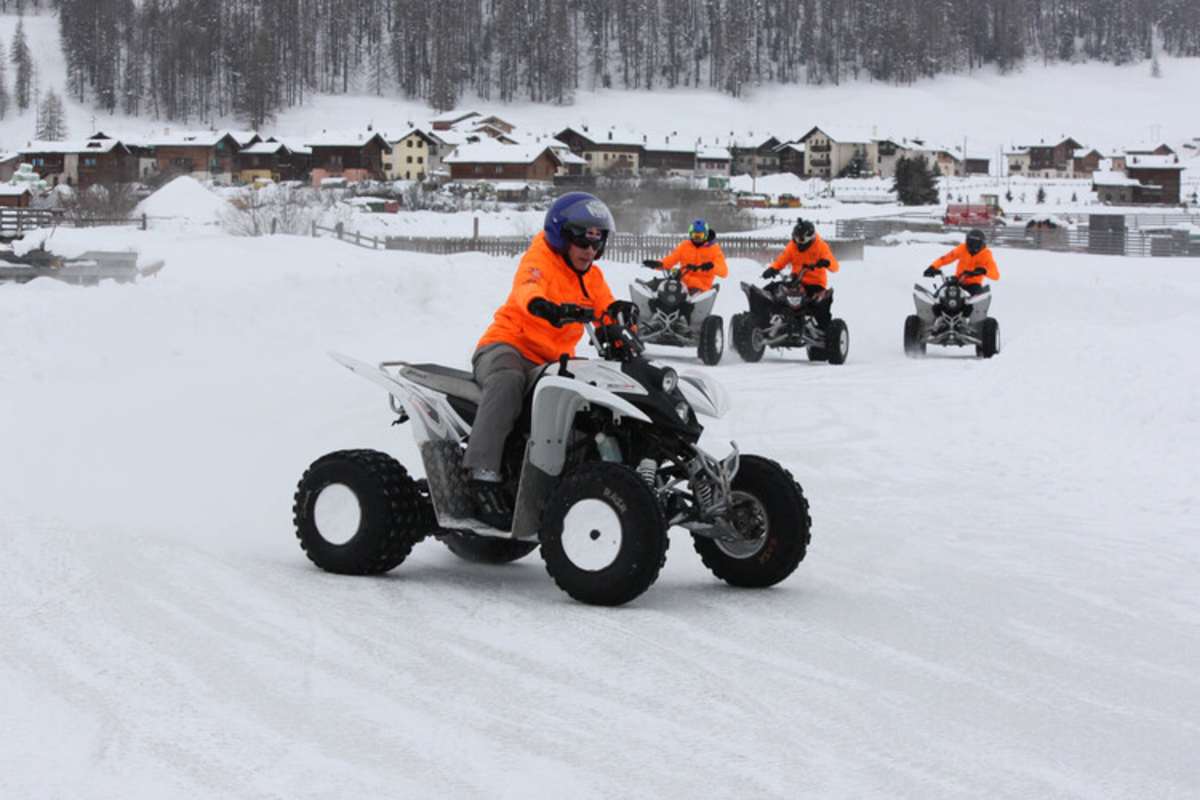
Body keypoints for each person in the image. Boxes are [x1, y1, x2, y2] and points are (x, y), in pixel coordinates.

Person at [464, 192, 628, 528]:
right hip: (507, 347)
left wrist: (620, 320)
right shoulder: (540, 258)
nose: (589, 250)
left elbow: (605, 310)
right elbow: (528, 286)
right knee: (508, 381)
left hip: (553, 361)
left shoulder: (591, 277)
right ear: (561, 236)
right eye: (582, 241)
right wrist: (543, 306)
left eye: (597, 243)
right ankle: (481, 474)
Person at [761, 218, 840, 327]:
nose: (798, 242)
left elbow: (835, 267)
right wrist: (773, 269)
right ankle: (764, 322)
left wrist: (826, 263)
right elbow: (782, 260)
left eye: (801, 239)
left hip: (815, 284)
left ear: (810, 237)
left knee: (821, 302)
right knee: (769, 291)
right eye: (795, 238)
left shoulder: (821, 246)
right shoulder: (792, 246)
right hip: (796, 282)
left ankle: (823, 331)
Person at [656, 219, 729, 293]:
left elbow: (724, 272)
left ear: (706, 235)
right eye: (694, 235)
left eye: (700, 236)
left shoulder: (714, 249)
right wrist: (658, 264)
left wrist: (712, 266)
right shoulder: (685, 246)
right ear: (690, 234)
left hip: (701, 288)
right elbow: (672, 259)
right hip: (682, 284)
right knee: (661, 287)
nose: (697, 239)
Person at [924, 228, 999, 295]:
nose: (972, 247)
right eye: (970, 243)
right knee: (940, 295)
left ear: (981, 244)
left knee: (979, 299)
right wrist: (933, 267)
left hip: (974, 284)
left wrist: (984, 271)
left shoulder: (986, 254)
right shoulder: (962, 248)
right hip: (958, 280)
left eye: (975, 244)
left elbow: (996, 275)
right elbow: (945, 259)